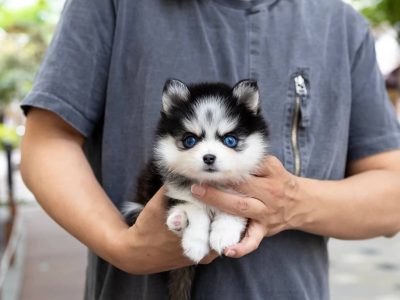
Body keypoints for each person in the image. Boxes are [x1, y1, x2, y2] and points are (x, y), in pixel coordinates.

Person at [20, 0, 400, 299]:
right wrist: (123, 246)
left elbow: (392, 194)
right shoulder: (113, 5)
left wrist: (291, 202)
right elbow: (48, 141)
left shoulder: (341, 26)